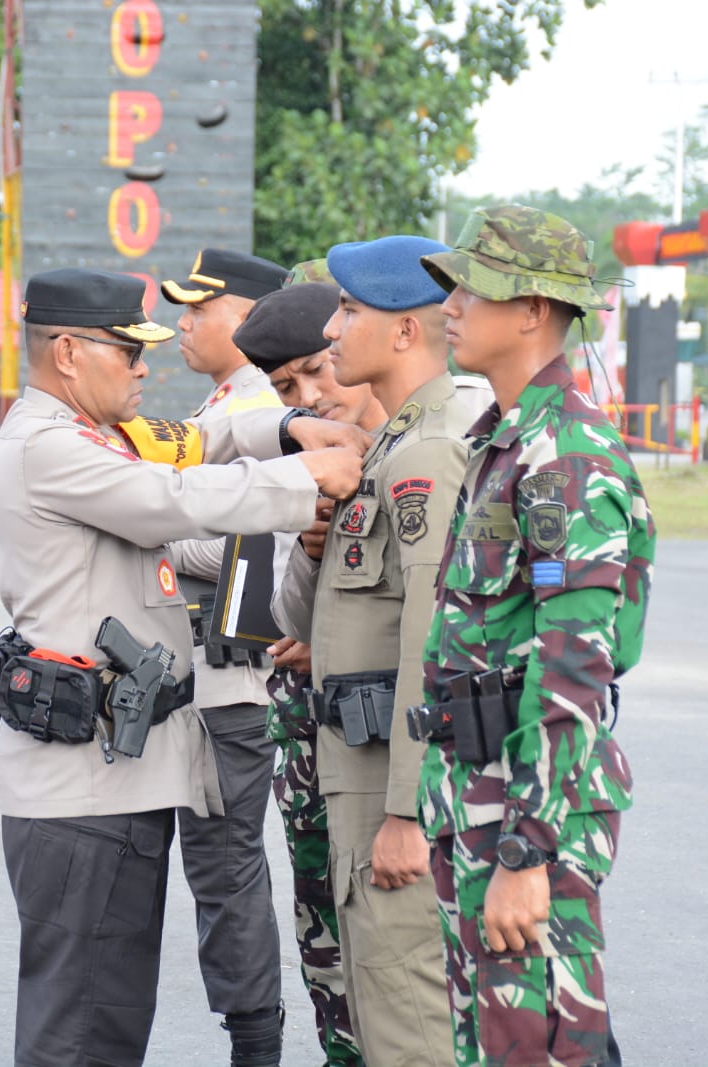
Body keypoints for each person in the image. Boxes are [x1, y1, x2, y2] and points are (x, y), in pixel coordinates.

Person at [0, 268, 365, 1067]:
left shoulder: (91, 430)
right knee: (80, 1029)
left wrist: (289, 428)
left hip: (113, 781)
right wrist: (306, 477)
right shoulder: (50, 444)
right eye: (127, 351)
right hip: (80, 792)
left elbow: (204, 437)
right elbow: (175, 498)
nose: (142, 367)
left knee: (110, 1018)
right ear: (66, 353)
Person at [413, 205, 656, 1067]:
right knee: (495, 1044)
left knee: (540, 1047)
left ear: (531, 311)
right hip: (476, 800)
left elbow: (573, 672)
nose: (449, 305)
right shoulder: (505, 443)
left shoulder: (565, 458)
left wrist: (526, 848)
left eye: (471, 287)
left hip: (525, 814)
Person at [275, 234, 469, 1067]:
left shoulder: (429, 451)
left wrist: (405, 812)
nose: (333, 330)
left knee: (412, 1033)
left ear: (403, 333)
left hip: (391, 802)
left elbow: (432, 644)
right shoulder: (391, 446)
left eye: (351, 311)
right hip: (357, 785)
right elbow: (307, 622)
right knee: (381, 1022)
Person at [232, 279, 386, 1067]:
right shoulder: (281, 441)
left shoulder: (433, 450)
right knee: (324, 930)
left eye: (317, 370)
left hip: (397, 745)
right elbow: (251, 586)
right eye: (286, 386)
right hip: (304, 722)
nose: (311, 395)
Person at [158, 247, 291, 1056]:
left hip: (229, 687)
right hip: (197, 681)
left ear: (241, 319)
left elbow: (269, 544)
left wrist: (151, 530)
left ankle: (255, 1045)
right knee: (217, 868)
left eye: (195, 308)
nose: (181, 323)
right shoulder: (227, 403)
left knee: (225, 867)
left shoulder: (265, 406)